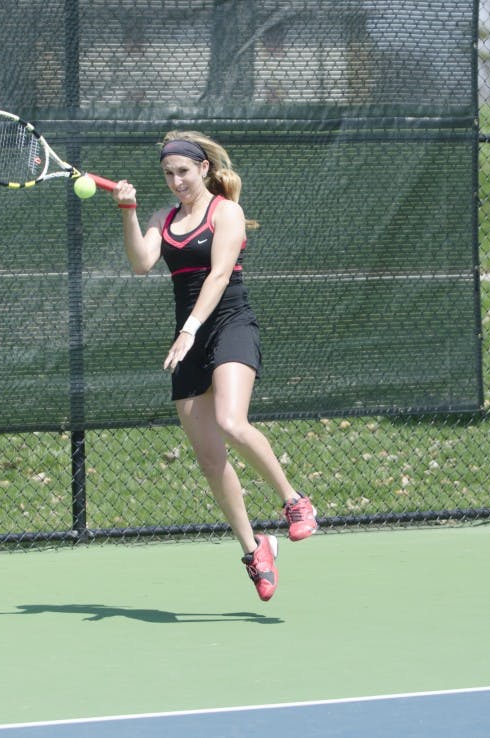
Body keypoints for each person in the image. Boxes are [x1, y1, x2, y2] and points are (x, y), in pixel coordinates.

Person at [112, 130, 318, 602]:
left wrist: (189, 329)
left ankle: (293, 500)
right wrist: (126, 211)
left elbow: (220, 275)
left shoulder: (227, 212)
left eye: (183, 171)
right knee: (209, 459)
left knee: (231, 420)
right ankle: (254, 550)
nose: (176, 181)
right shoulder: (163, 219)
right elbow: (143, 262)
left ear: (203, 169)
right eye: (168, 174)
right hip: (188, 337)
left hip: (229, 323)